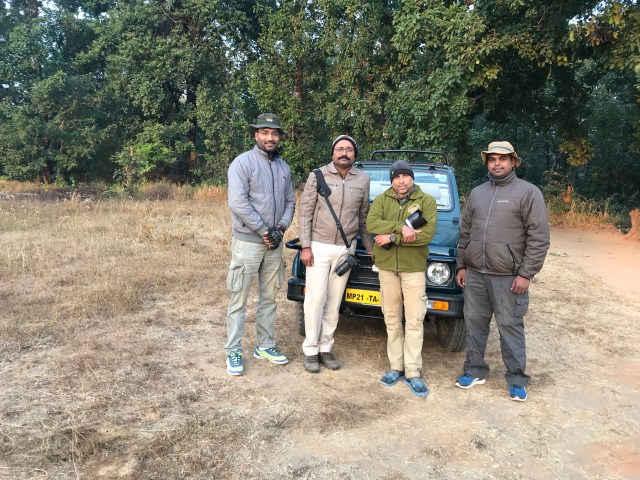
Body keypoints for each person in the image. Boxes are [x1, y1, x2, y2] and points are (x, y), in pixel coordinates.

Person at [454, 141, 550, 402]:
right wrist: (462, 265)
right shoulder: (477, 193)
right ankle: (474, 370)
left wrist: (525, 274)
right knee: (474, 323)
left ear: (513, 162)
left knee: (510, 326)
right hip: (475, 275)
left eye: (502, 159)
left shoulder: (528, 193)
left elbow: (539, 238)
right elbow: (465, 233)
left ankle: (517, 379)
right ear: (487, 163)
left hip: (509, 276)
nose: (497, 163)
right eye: (492, 159)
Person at [224, 113, 296, 376]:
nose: (270, 137)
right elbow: (238, 202)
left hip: (274, 245)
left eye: (274, 133)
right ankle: (233, 350)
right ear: (256, 135)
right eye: (264, 132)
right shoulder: (242, 163)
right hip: (249, 243)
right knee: (238, 299)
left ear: (279, 137)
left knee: (269, 298)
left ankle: (264, 345)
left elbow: (290, 202)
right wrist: (264, 229)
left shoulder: (284, 168)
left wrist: (280, 228)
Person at [298, 135, 373, 373]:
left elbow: (363, 219)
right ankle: (310, 350)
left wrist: (370, 251)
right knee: (315, 299)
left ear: (354, 154)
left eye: (349, 149)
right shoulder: (317, 176)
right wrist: (305, 246)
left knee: (334, 301)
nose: (344, 153)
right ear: (332, 153)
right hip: (318, 247)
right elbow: (305, 213)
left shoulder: (363, 179)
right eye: (339, 149)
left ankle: (325, 348)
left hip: (345, 249)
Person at [367, 161, 437, 396]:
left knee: (415, 319)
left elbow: (426, 234)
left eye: (406, 176)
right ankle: (396, 367)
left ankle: (413, 371)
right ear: (391, 180)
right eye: (397, 176)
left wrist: (392, 238)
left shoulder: (425, 201)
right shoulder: (381, 200)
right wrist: (403, 228)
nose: (402, 180)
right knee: (392, 319)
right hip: (386, 268)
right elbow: (372, 224)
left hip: (413, 268)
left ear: (412, 178)